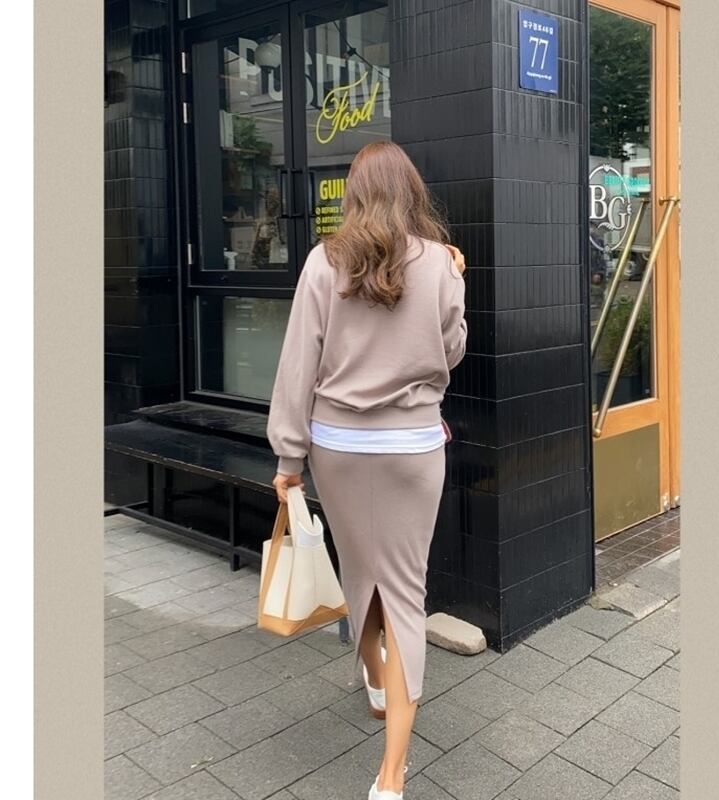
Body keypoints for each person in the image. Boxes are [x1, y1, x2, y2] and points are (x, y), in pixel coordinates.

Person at [266, 140, 467, 800]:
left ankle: (379, 680)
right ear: (411, 192)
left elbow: (299, 363)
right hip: (412, 448)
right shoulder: (441, 262)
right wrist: (454, 281)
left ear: (353, 194)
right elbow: (452, 352)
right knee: (405, 591)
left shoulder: (324, 262)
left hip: (339, 449)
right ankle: (391, 775)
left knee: (361, 574)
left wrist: (288, 458)